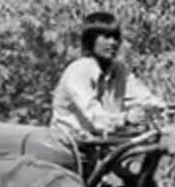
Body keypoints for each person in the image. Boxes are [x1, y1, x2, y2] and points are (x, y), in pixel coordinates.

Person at [50, 11, 167, 139]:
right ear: (91, 39)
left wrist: (167, 108)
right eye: (106, 37)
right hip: (69, 144)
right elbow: (93, 115)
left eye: (116, 38)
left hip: (102, 142)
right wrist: (125, 118)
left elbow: (144, 97)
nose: (112, 42)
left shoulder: (119, 69)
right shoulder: (79, 71)